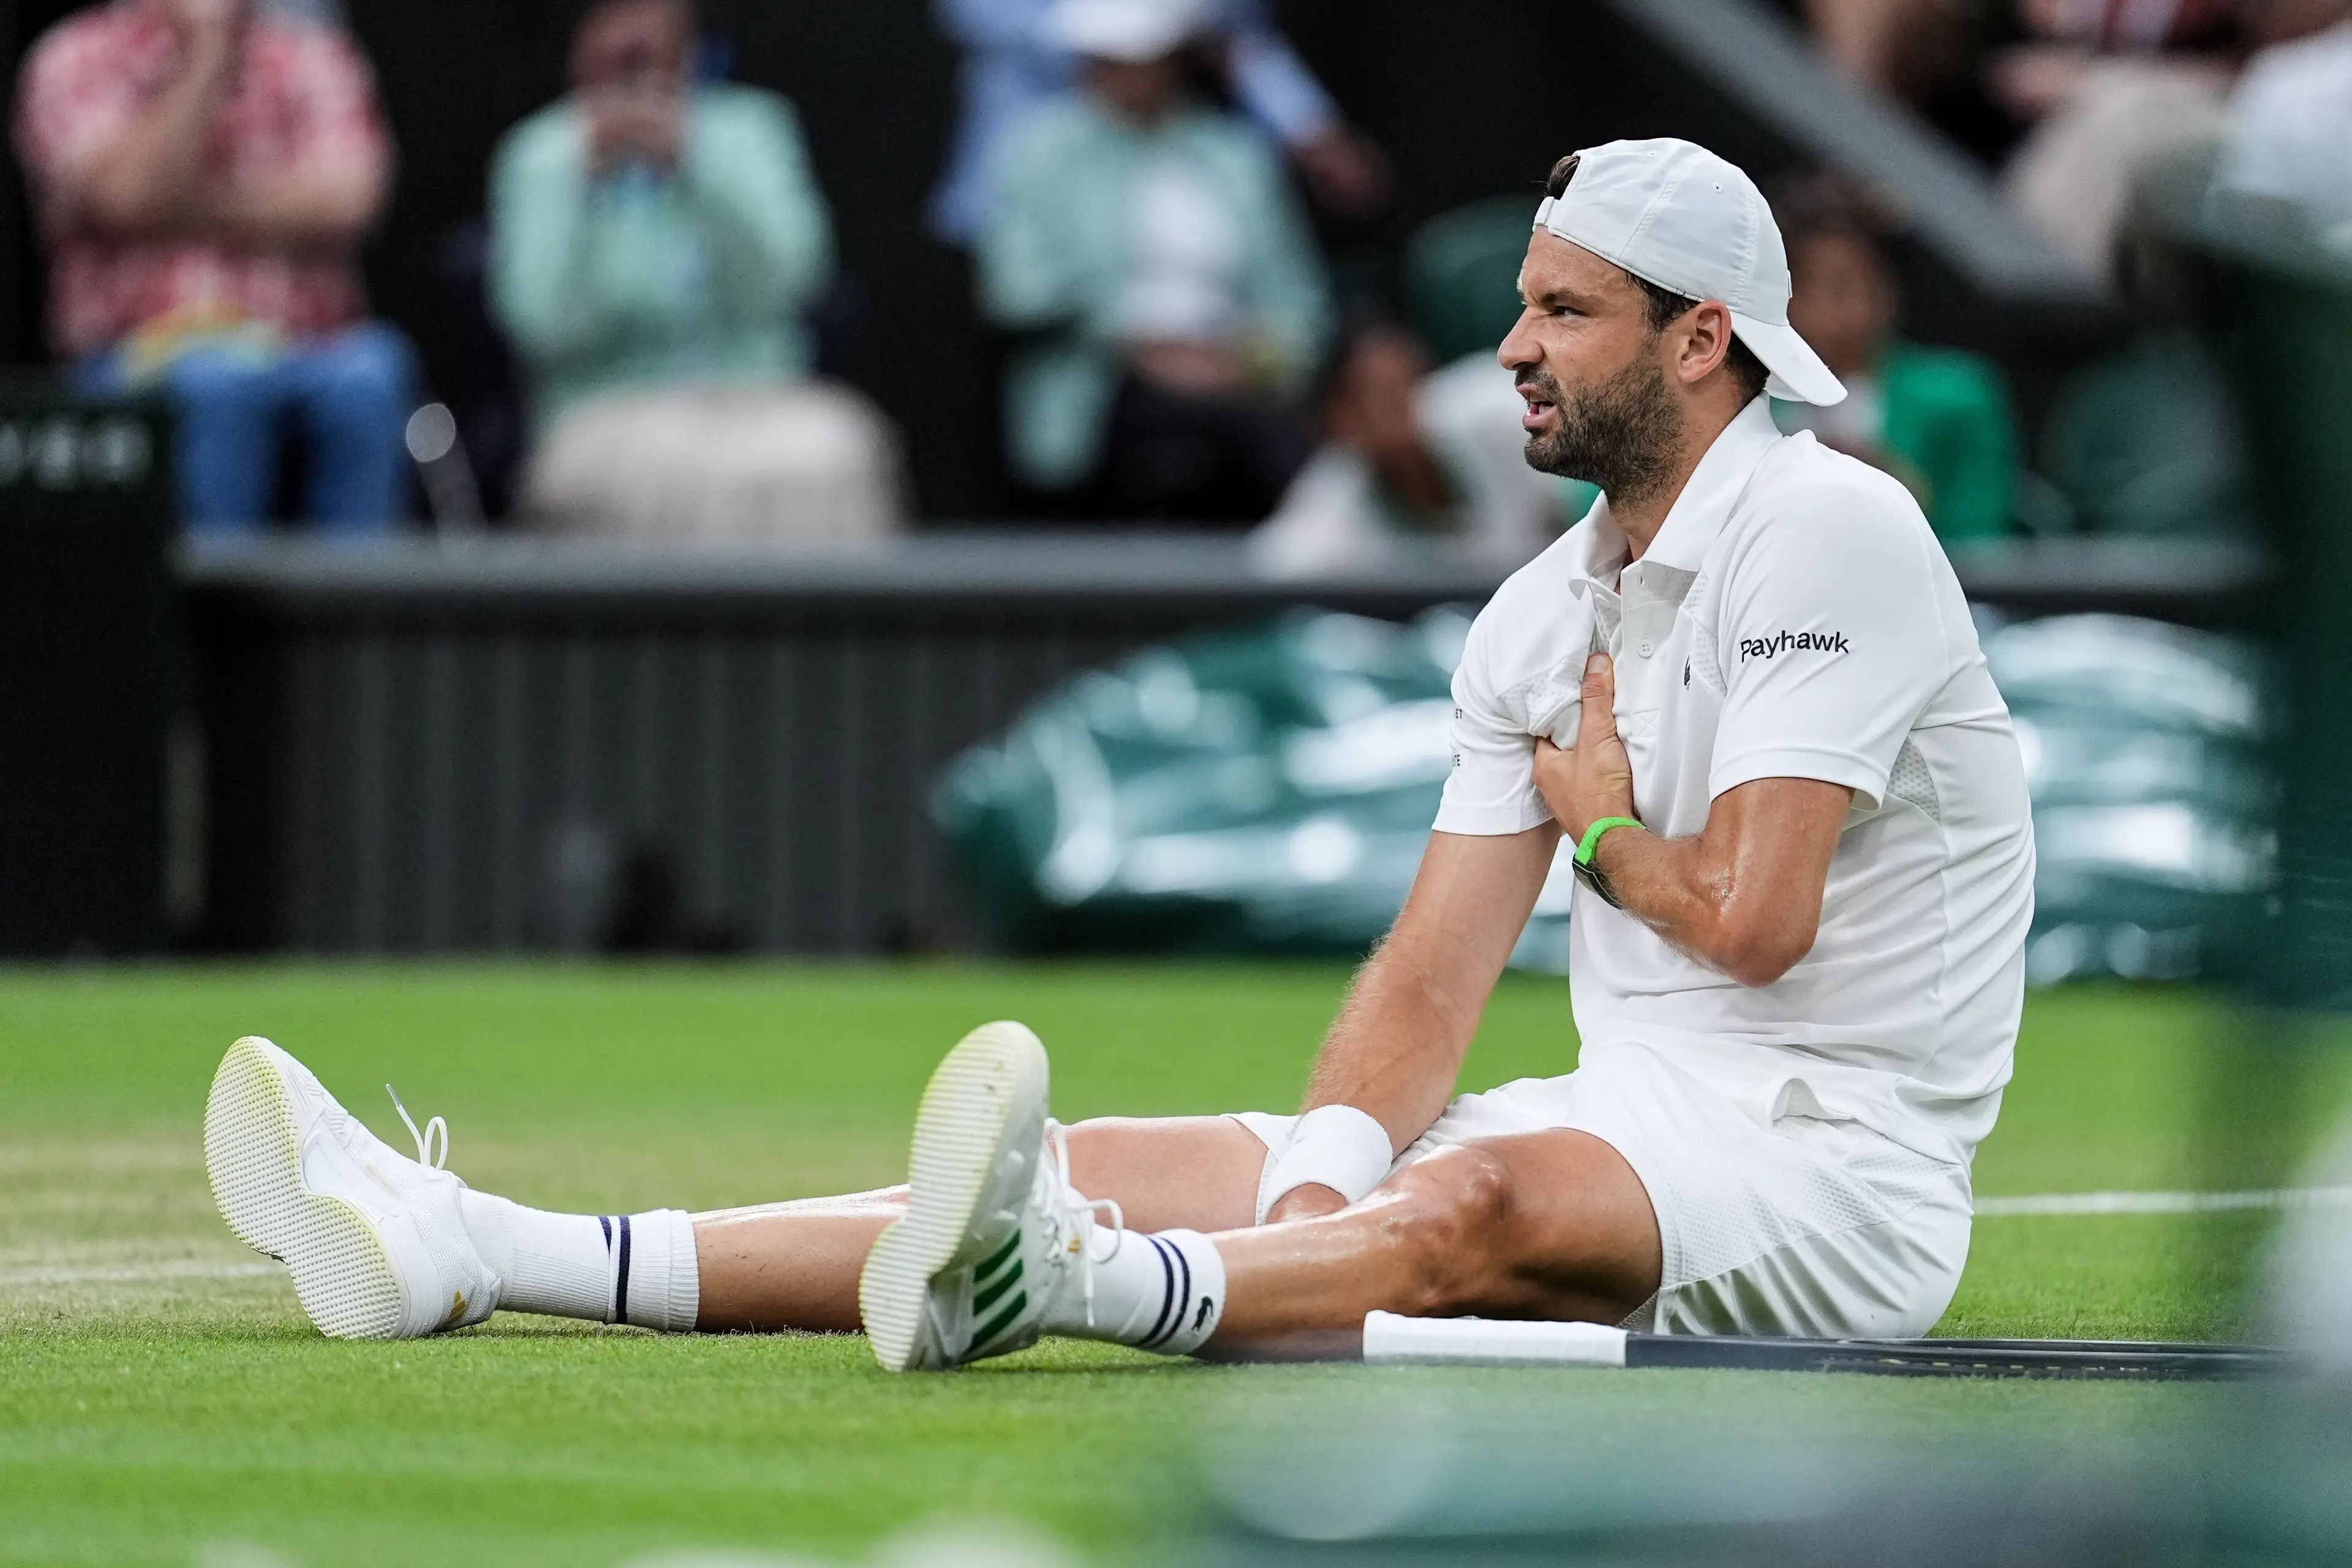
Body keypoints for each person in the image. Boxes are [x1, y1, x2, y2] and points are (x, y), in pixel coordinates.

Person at [200, 139, 2036, 1366]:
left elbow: (1753, 922)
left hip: (1837, 1179)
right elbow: (1419, 981)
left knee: (1459, 1200)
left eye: (1562, 310)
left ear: (1700, 338)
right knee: (1105, 1152)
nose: (1509, 345)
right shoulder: (1537, 615)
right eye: (1524, 303)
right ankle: (479, 1238)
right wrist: (1321, 1171)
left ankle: (1074, 1287)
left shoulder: (1833, 526)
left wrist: (1608, 825)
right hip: (1622, 1114)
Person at [491, 0, 903, 545]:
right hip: (608, 405)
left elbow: (791, 279)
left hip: (759, 394)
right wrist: (585, 189)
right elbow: (537, 324)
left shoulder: (750, 131)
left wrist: (695, 165)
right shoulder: (542, 156)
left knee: (837, 448)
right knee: (681, 473)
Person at [13, 0, 414, 535]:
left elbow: (351, 198)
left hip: (304, 345)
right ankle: (205, 612)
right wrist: (206, 57)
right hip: (142, 354)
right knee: (221, 382)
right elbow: (126, 198)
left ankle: (359, 611)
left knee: (373, 369)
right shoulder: (77, 54)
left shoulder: (311, 53)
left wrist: (189, 209)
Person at [978, 0, 1331, 522]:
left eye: (1141, 57)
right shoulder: (1042, 151)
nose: (1123, 73)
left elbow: (1296, 297)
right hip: (1105, 383)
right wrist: (1143, 344)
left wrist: (1252, 360)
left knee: (1277, 431)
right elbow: (1018, 291)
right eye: (1108, 57)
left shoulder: (1234, 153)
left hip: (1240, 373)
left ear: (1174, 59)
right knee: (1240, 433)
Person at [927, 0, 1385, 247]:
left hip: (1176, 169)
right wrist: (1117, 35)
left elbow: (1239, 39)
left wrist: (1310, 128)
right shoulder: (1039, 154)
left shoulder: (1223, 157)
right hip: (1022, 194)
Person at [1774, 181, 2020, 548]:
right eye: (1801, 287)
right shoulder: (1742, 400)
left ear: (1885, 291)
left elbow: (1983, 538)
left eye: (1841, 287)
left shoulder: (1958, 397)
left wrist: (1894, 492)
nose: (1818, 310)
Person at [1248, 320, 1589, 578]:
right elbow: (1271, 570)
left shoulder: (1503, 411)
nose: (1398, 407)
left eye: (1403, 385)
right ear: (1336, 421)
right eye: (1373, 396)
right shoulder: (1327, 512)